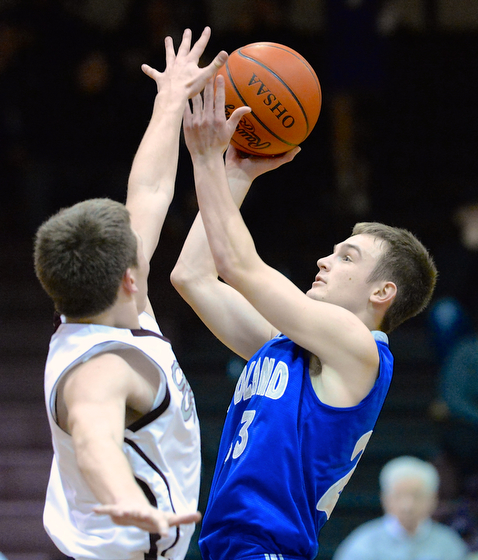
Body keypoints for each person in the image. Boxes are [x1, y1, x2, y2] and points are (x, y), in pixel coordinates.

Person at [170, 77, 437, 560]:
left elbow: (238, 265)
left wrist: (206, 160)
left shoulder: (359, 350)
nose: (324, 261)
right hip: (224, 547)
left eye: (347, 258)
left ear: (383, 292)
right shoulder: (287, 345)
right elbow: (193, 277)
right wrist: (234, 174)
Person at [33, 28, 227, 560]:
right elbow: (95, 441)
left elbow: (149, 190)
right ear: (129, 278)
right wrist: (124, 500)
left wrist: (170, 100)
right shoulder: (101, 369)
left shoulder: (107, 306)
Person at [332, 456, 469, 560]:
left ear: (433, 499)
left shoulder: (450, 545)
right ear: (385, 498)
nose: (407, 506)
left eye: (417, 496)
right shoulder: (362, 545)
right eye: (399, 496)